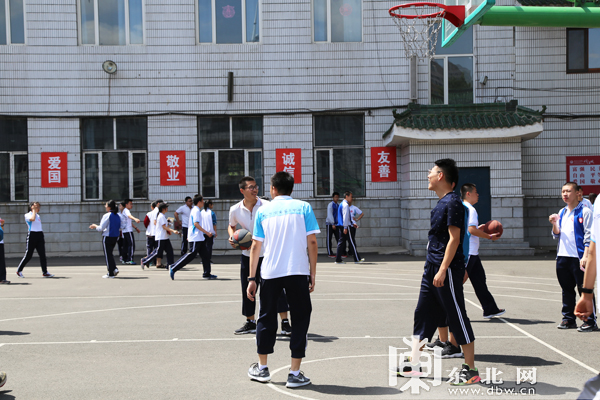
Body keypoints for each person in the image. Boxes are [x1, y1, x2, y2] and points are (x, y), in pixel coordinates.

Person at [402, 159, 478, 386]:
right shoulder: (442, 202)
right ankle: (414, 363)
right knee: (423, 313)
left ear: (441, 176)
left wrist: (443, 269)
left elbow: (455, 239)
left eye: (432, 172)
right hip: (432, 267)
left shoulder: (453, 203)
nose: (428, 175)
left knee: (456, 315)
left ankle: (471, 369)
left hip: (447, 269)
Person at [246, 171, 319, 388]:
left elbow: (255, 246)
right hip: (297, 270)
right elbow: (312, 242)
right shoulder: (304, 207)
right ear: (292, 189)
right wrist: (312, 272)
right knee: (300, 318)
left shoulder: (263, 211)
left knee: (266, 317)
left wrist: (252, 278)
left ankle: (262, 368)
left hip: (270, 272)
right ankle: (294, 373)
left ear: (273, 189)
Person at [229, 176, 291, 336]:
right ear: (242, 190)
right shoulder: (235, 209)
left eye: (256, 186)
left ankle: (285, 322)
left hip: (268, 254)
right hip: (247, 255)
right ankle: (250, 321)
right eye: (251, 187)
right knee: (248, 288)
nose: (255, 189)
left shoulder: (267, 206)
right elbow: (231, 226)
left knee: (277, 289)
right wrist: (232, 237)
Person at [549, 182, 597, 331]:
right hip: (563, 257)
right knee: (566, 289)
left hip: (579, 258)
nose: (565, 194)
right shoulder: (562, 212)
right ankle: (568, 319)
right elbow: (556, 234)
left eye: (568, 191)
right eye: (563, 191)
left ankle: (590, 320)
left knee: (584, 289)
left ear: (577, 193)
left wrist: (585, 256)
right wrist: (554, 223)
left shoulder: (585, 211)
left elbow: (589, 236)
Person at [461, 183, 505, 319]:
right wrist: (489, 236)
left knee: (480, 281)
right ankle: (449, 312)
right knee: (458, 281)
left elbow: (469, 229)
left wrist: (478, 229)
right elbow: (471, 230)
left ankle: (490, 309)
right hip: (469, 252)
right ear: (468, 194)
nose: (478, 194)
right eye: (475, 192)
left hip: (472, 252)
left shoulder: (462, 207)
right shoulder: (471, 209)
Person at [168, 195, 216, 280]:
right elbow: (195, 224)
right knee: (191, 254)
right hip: (195, 237)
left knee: (205, 256)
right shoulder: (196, 210)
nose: (203, 202)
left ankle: (207, 273)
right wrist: (206, 232)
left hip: (199, 237)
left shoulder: (196, 210)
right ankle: (174, 267)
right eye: (202, 200)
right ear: (199, 202)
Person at [16, 202, 54, 278]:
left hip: (39, 235)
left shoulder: (38, 216)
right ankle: (19, 270)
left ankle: (45, 272)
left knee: (42, 255)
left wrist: (35, 212)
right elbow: (32, 219)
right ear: (32, 207)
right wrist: (33, 211)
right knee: (28, 255)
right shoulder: (27, 215)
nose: (38, 208)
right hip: (32, 235)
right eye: (36, 207)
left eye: (39, 207)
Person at [89, 200, 122, 279]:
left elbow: (101, 228)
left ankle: (110, 273)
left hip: (107, 237)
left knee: (108, 255)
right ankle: (114, 268)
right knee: (110, 254)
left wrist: (95, 226)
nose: (105, 206)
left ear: (109, 207)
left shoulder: (107, 215)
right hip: (115, 237)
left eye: (106, 205)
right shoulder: (118, 215)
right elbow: (121, 227)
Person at [142, 203, 178, 268]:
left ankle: (170, 265)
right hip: (161, 238)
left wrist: (169, 224)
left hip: (165, 237)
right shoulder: (161, 216)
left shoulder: (163, 216)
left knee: (169, 251)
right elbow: (164, 227)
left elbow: (165, 226)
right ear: (163, 209)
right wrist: (173, 231)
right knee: (157, 252)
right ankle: (145, 261)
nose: (167, 208)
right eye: (166, 207)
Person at [335, 191, 364, 264]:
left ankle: (338, 259)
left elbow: (347, 216)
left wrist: (352, 223)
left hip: (341, 225)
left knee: (341, 242)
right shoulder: (345, 205)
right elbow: (345, 216)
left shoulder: (342, 204)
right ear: (346, 196)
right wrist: (345, 227)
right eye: (351, 197)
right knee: (351, 242)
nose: (352, 198)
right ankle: (357, 259)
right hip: (345, 226)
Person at [121, 199, 141, 265]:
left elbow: (129, 222)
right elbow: (129, 216)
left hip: (125, 231)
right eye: (130, 204)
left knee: (125, 245)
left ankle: (124, 259)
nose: (131, 205)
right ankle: (130, 259)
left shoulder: (124, 211)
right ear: (126, 204)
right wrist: (135, 219)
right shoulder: (126, 210)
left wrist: (135, 228)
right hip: (128, 231)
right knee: (131, 245)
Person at [325, 192, 340, 258]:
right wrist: (332, 223)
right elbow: (330, 215)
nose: (336, 198)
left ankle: (340, 252)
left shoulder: (338, 205)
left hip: (337, 224)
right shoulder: (330, 205)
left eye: (337, 197)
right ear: (333, 197)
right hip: (330, 224)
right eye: (335, 197)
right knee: (329, 238)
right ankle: (330, 253)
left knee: (338, 238)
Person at [144, 201, 157, 269]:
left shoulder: (149, 214)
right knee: (156, 248)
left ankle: (149, 261)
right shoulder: (159, 214)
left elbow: (145, 222)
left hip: (149, 233)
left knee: (149, 248)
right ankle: (155, 261)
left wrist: (148, 228)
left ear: (152, 207)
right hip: (156, 234)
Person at [0, 216, 9, 284]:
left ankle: (2, 278)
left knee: (1, 261)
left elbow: (1, 231)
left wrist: (2, 225)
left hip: (0, 241)